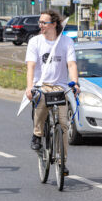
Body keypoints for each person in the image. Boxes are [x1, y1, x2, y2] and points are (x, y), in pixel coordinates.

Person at [25, 10, 80, 176]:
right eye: (40, 23)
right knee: (41, 100)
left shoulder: (66, 42)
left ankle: (62, 163)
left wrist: (75, 83)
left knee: (63, 125)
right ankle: (37, 134)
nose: (40, 26)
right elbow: (31, 67)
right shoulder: (35, 42)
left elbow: (71, 65)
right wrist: (30, 87)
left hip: (60, 87)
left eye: (44, 23)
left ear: (54, 24)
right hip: (41, 85)